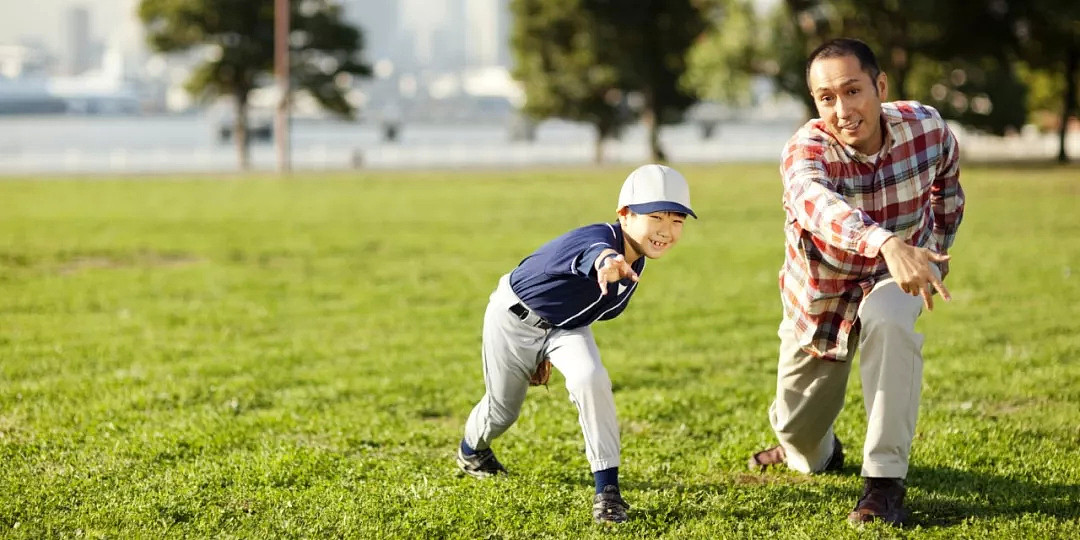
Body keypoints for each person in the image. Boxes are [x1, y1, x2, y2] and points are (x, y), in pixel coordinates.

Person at [748, 38, 965, 527]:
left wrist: (933, 257)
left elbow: (947, 185)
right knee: (796, 433)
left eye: (853, 91)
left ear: (880, 85)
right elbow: (822, 209)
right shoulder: (805, 150)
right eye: (827, 98)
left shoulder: (926, 127)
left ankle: (884, 484)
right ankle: (816, 450)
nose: (842, 110)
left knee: (890, 323)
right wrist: (887, 242)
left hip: (892, 279)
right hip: (821, 300)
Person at [456, 164, 696, 525]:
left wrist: (552, 350)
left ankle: (607, 493)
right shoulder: (598, 240)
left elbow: (590, 306)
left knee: (591, 377)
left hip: (565, 328)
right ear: (625, 215)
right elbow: (595, 255)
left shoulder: (637, 264)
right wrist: (607, 262)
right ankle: (471, 452)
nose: (666, 229)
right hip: (513, 320)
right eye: (655, 216)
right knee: (503, 410)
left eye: (677, 220)